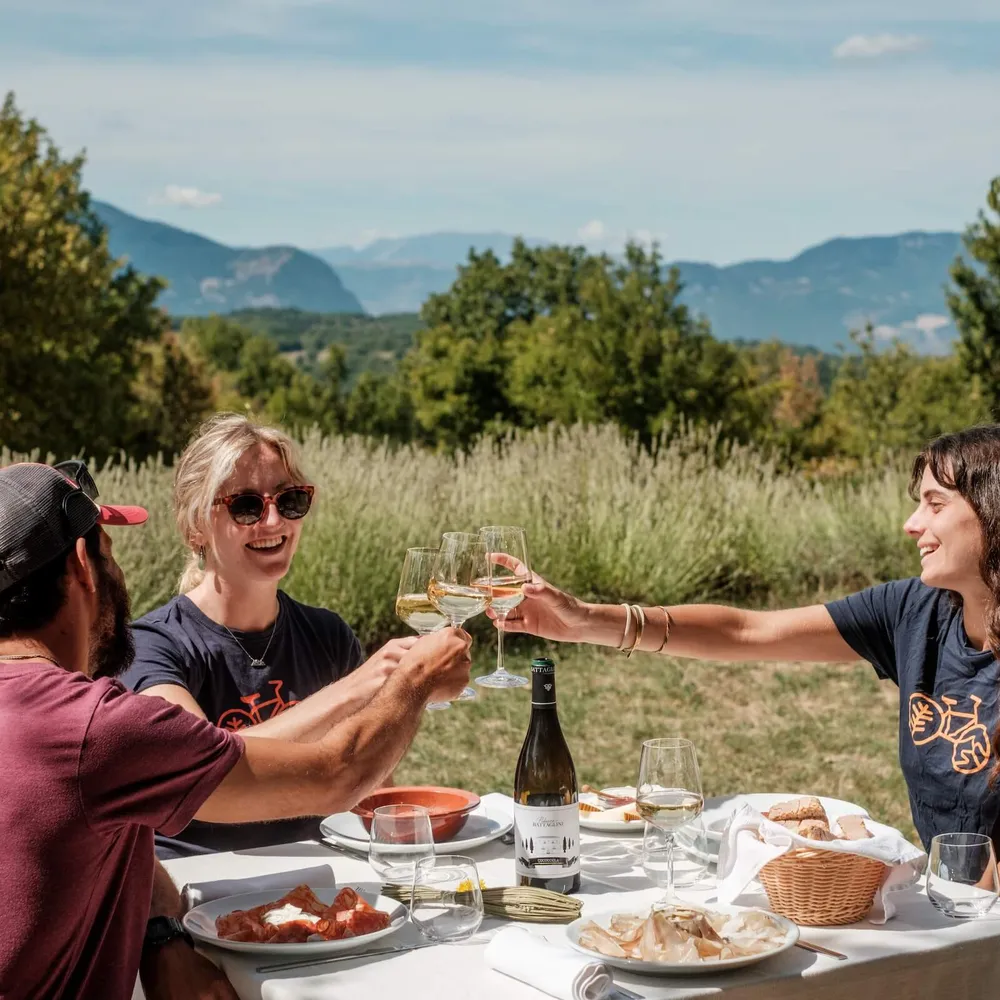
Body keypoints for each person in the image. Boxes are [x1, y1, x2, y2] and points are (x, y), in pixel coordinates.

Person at [0, 461, 471, 1000]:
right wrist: (413, 679)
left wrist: (160, 937)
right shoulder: (97, 728)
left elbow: (123, 830)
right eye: (111, 554)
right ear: (85, 566)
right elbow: (339, 775)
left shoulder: (85, 738)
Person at [499, 424, 1000, 853]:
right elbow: (747, 632)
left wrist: (960, 933)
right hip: (952, 907)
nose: (911, 525)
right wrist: (586, 621)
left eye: (935, 504)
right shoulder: (914, 612)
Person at [121, 414, 415, 857]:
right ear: (195, 525)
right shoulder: (151, 646)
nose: (274, 521)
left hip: (320, 887)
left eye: (290, 499)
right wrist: (353, 690)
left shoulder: (327, 634)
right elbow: (200, 771)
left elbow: (369, 791)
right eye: (246, 506)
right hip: (197, 891)